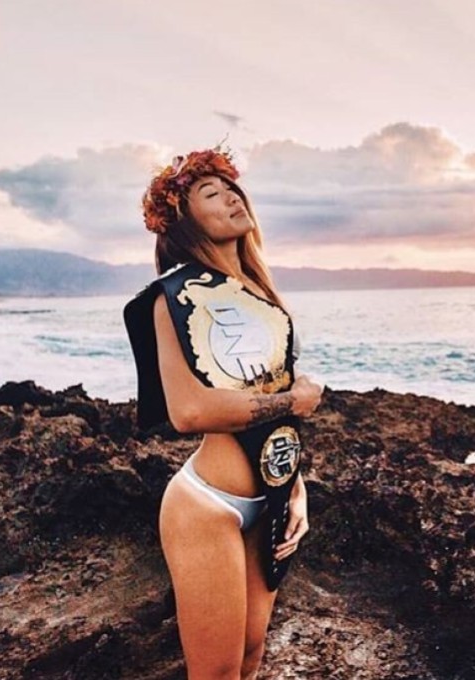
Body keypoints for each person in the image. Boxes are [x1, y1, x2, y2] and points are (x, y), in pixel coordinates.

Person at [122, 146, 324, 679]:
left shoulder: (260, 293)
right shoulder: (175, 298)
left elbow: (275, 414)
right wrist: (292, 400)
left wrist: (294, 485)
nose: (232, 196)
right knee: (215, 675)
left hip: (271, 494)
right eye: (211, 193)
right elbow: (188, 412)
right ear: (186, 224)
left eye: (232, 188)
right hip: (207, 506)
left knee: (252, 656)